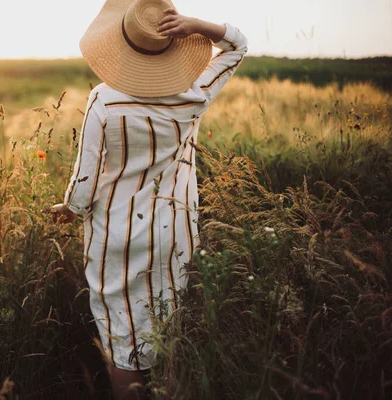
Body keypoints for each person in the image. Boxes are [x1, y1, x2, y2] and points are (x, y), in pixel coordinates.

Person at [50, 0, 248, 398]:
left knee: (123, 333)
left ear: (119, 43)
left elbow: (85, 177)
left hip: (117, 236)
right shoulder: (194, 95)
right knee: (167, 321)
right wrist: (196, 25)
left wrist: (70, 208)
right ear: (174, 44)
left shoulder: (104, 100)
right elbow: (237, 46)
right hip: (174, 230)